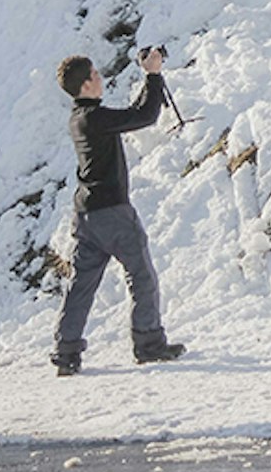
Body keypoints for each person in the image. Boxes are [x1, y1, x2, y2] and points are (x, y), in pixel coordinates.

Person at [51, 46, 186, 376]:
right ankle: (148, 342)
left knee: (82, 284)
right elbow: (143, 116)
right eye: (95, 76)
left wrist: (149, 80)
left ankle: (66, 352)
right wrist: (153, 75)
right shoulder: (95, 118)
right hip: (113, 212)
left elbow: (132, 113)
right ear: (85, 85)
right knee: (141, 275)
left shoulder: (79, 118)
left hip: (85, 215)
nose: (100, 79)